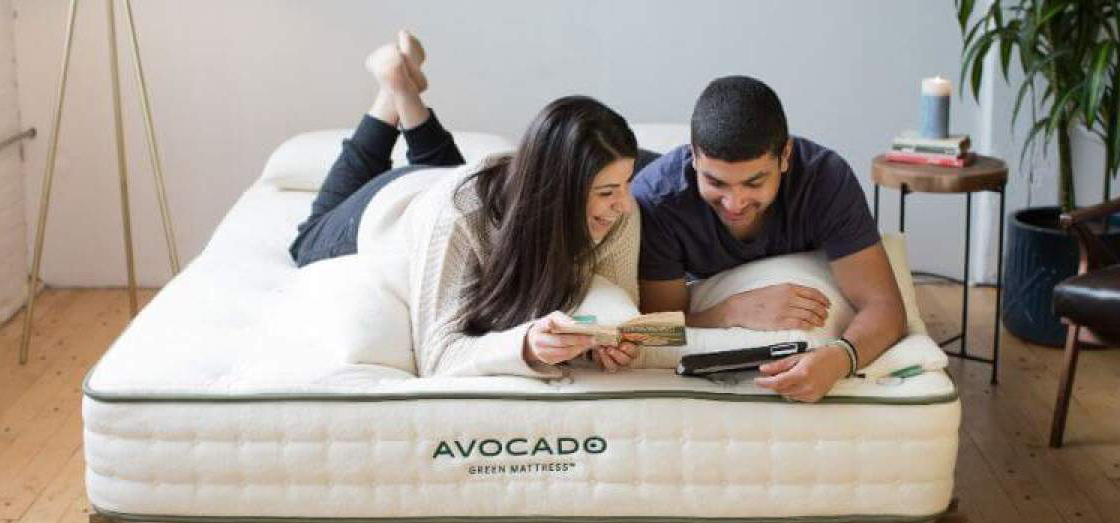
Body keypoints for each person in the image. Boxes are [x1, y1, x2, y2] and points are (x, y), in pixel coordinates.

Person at [288, 32, 642, 377]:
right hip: (393, 203)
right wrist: (525, 347)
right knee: (306, 241)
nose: (624, 205)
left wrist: (606, 344)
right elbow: (438, 355)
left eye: (626, 184)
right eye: (607, 192)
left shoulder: (620, 211)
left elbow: (614, 308)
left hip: (455, 179)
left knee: (444, 171)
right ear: (556, 189)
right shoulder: (459, 216)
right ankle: (391, 92)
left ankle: (405, 91)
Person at [634, 76, 906, 402]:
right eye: (715, 182)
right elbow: (654, 329)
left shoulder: (825, 180)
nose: (734, 203)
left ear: (785, 155)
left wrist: (840, 358)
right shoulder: (656, 200)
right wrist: (731, 312)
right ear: (693, 155)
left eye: (754, 182)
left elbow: (885, 307)